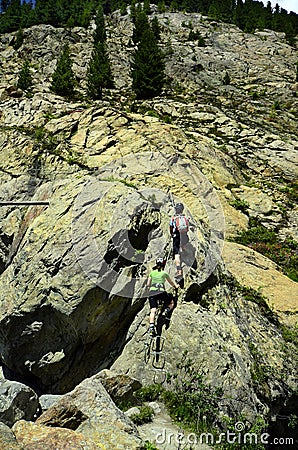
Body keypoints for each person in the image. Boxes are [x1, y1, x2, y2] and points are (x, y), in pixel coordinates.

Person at [147, 257, 179, 336]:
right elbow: (171, 282)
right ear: (163, 265)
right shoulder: (164, 273)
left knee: (153, 310)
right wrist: (176, 286)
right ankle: (166, 311)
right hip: (160, 292)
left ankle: (151, 326)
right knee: (171, 302)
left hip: (152, 292)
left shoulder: (152, 273)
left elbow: (148, 284)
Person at [170, 203, 189, 277]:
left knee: (176, 254)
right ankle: (186, 252)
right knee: (183, 244)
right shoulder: (185, 217)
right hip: (184, 235)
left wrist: (172, 234)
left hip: (177, 236)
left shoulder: (173, 218)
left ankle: (179, 271)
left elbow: (171, 227)